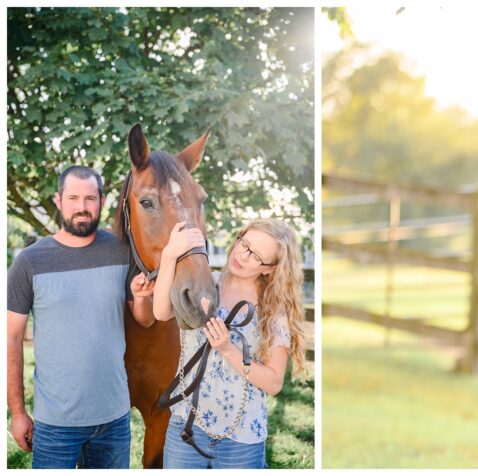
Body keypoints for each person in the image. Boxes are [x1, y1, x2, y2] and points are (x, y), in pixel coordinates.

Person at [7, 165, 156, 469]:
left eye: (90, 198)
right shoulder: (29, 262)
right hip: (55, 424)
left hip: (113, 419)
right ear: (59, 200)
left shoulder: (122, 250)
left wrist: (143, 298)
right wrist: (18, 412)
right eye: (73, 197)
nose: (82, 207)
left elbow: (145, 320)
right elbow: (10, 339)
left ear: (101, 201)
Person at [152, 218, 308, 469]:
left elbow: (274, 382)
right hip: (187, 426)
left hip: (241, 438)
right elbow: (161, 312)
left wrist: (227, 349)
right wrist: (170, 256)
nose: (243, 256)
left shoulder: (273, 312)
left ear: (269, 268)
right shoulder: (203, 285)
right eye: (244, 244)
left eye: (256, 256)